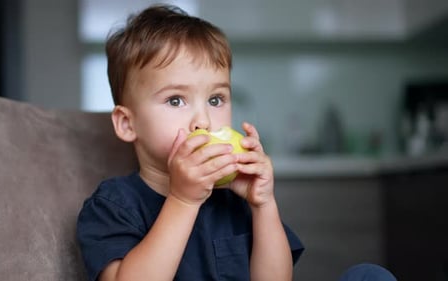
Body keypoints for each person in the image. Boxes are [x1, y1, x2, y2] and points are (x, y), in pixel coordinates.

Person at [76, 4, 396, 281]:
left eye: (216, 99)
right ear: (127, 123)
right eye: (176, 100)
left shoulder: (233, 200)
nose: (202, 120)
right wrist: (183, 200)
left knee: (369, 275)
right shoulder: (113, 205)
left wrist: (263, 204)